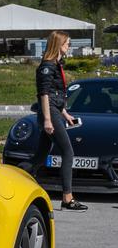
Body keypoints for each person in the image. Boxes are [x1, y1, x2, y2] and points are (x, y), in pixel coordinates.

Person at [27, 31, 87, 211]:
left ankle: (16, 176)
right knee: (68, 152)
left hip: (54, 112)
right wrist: (47, 119)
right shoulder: (47, 66)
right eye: (67, 43)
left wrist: (65, 115)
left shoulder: (56, 64)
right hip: (49, 114)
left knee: (40, 155)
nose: (69, 46)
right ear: (59, 44)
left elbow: (56, 96)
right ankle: (67, 198)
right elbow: (44, 94)